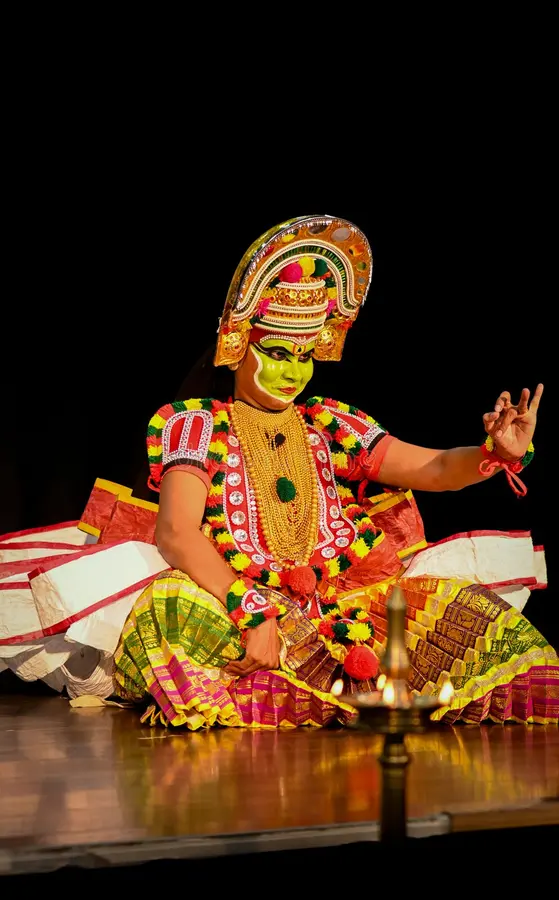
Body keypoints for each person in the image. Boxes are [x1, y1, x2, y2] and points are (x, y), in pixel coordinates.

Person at [1, 215, 557, 726]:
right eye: (277, 351)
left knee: (468, 611)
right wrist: (249, 607)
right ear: (239, 344)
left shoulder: (331, 424)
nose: (293, 371)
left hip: (339, 603)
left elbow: (434, 468)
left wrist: (499, 454)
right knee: (170, 608)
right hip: (235, 596)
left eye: (304, 355)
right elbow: (175, 532)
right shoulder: (196, 426)